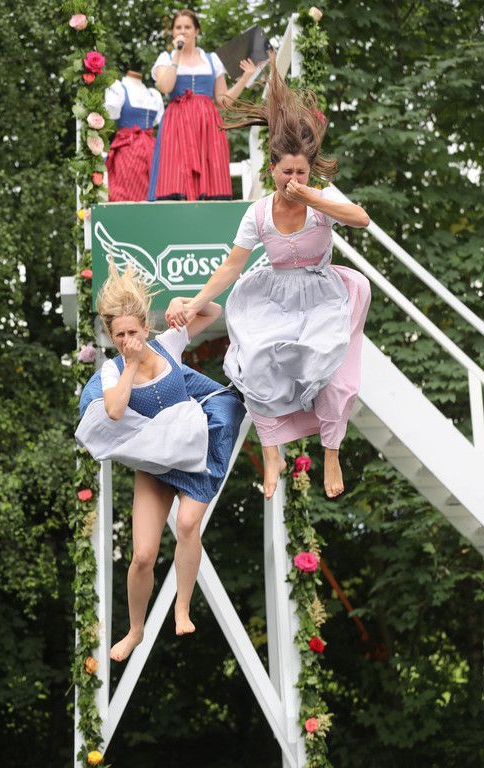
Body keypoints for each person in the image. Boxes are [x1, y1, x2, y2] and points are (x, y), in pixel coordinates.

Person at [165, 56, 371, 501]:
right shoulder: (257, 214)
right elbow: (231, 266)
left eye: (301, 172)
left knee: (332, 374)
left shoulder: (319, 200)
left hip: (321, 294)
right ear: (272, 169)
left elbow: (360, 219)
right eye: (287, 172)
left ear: (308, 171)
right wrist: (195, 302)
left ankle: (331, 450)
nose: (293, 179)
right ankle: (272, 450)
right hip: (275, 295)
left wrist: (313, 195)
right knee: (253, 362)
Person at [75, 262, 245, 661]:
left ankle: (182, 607)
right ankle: (136, 630)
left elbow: (213, 311)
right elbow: (114, 410)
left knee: (186, 524)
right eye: (119, 335)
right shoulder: (112, 371)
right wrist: (132, 364)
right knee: (142, 555)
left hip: (190, 452)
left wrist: (183, 303)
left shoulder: (168, 343)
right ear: (111, 336)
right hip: (154, 465)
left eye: (133, 332)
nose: (127, 340)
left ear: (145, 329)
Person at [148, 9, 256, 201]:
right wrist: (177, 55)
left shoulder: (212, 60)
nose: (182, 31)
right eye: (178, 27)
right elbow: (166, 86)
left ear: (196, 31)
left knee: (212, 179)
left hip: (207, 125)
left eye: (187, 27)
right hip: (177, 124)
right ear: (173, 32)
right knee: (175, 175)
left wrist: (245, 78)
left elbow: (223, 100)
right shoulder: (166, 58)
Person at [105, 69, 164, 201]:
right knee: (127, 191)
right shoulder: (119, 89)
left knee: (154, 191)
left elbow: (158, 121)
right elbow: (110, 114)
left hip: (153, 152)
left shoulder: (152, 94)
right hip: (128, 150)